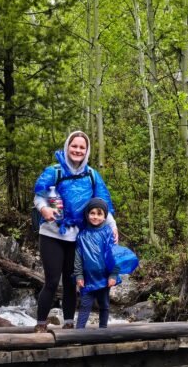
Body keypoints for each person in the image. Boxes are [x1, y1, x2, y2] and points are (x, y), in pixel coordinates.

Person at [33, 131, 116, 331]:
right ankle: (41, 324)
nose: (77, 150)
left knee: (72, 281)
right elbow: (39, 196)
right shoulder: (55, 171)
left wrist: (113, 227)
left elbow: (102, 204)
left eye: (82, 147)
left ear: (87, 151)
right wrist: (44, 209)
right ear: (67, 147)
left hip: (78, 236)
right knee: (52, 281)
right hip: (52, 233)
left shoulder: (91, 175)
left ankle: (69, 323)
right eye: (74, 146)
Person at [75, 198, 139, 329]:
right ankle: (79, 333)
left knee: (104, 305)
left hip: (104, 277)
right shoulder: (82, 235)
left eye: (99, 214)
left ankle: (103, 329)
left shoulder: (108, 233)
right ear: (87, 215)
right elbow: (78, 258)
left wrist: (113, 275)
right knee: (85, 305)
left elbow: (114, 255)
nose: (95, 217)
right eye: (92, 213)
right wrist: (79, 275)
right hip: (87, 279)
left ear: (105, 217)